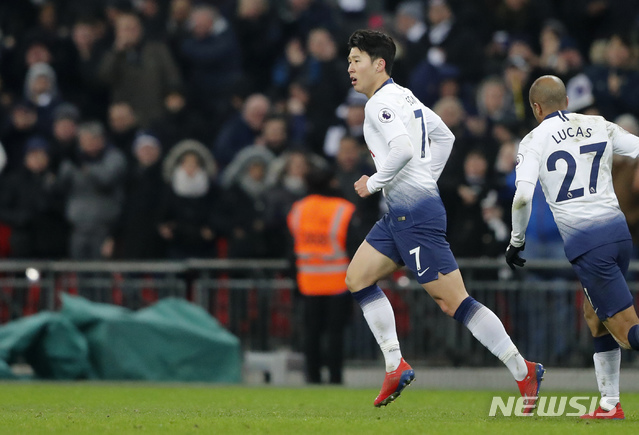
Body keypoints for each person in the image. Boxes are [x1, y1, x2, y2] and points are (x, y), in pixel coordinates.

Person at [345, 29, 543, 409]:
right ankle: (394, 365)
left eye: (356, 60)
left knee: (454, 303)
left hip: (415, 214)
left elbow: (402, 149)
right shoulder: (406, 96)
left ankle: (524, 370)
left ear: (378, 64)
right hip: (404, 211)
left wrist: (375, 182)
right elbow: (446, 137)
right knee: (357, 277)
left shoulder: (378, 104)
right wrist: (424, 179)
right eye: (349, 61)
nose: (350, 68)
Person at [506, 75, 639, 420]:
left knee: (627, 332)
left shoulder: (533, 140)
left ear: (536, 108)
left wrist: (517, 241)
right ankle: (610, 404)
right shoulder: (597, 124)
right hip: (619, 234)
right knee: (595, 317)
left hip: (588, 244)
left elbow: (522, 197)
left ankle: (611, 405)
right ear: (566, 101)